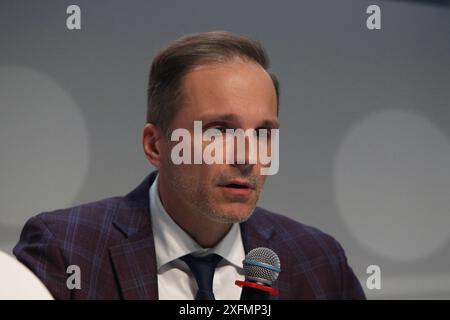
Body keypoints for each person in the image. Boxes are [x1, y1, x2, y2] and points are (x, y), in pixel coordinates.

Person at [13, 31, 365, 300]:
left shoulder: (319, 261)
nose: (247, 157)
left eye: (262, 132)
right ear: (155, 145)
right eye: (219, 130)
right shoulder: (67, 249)